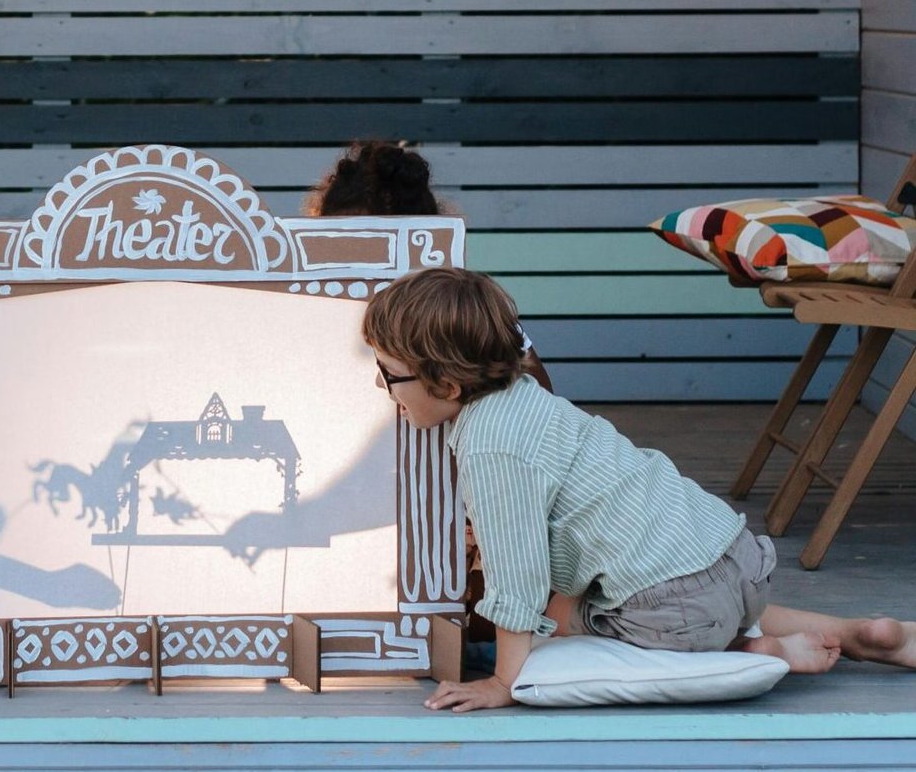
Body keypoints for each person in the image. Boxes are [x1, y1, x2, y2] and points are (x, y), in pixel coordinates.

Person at [361, 267, 916, 713]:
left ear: (448, 384)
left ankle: (749, 651)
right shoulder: (527, 395)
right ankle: (856, 634)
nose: (382, 387)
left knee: (555, 626)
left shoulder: (489, 445)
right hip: (734, 558)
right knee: (694, 595)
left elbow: (517, 574)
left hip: (676, 606)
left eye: (389, 375)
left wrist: (505, 681)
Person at [308, 139, 553, 391]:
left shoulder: (461, 310)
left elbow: (539, 395)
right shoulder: (310, 310)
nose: (362, 276)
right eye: (341, 249)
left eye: (375, 253)